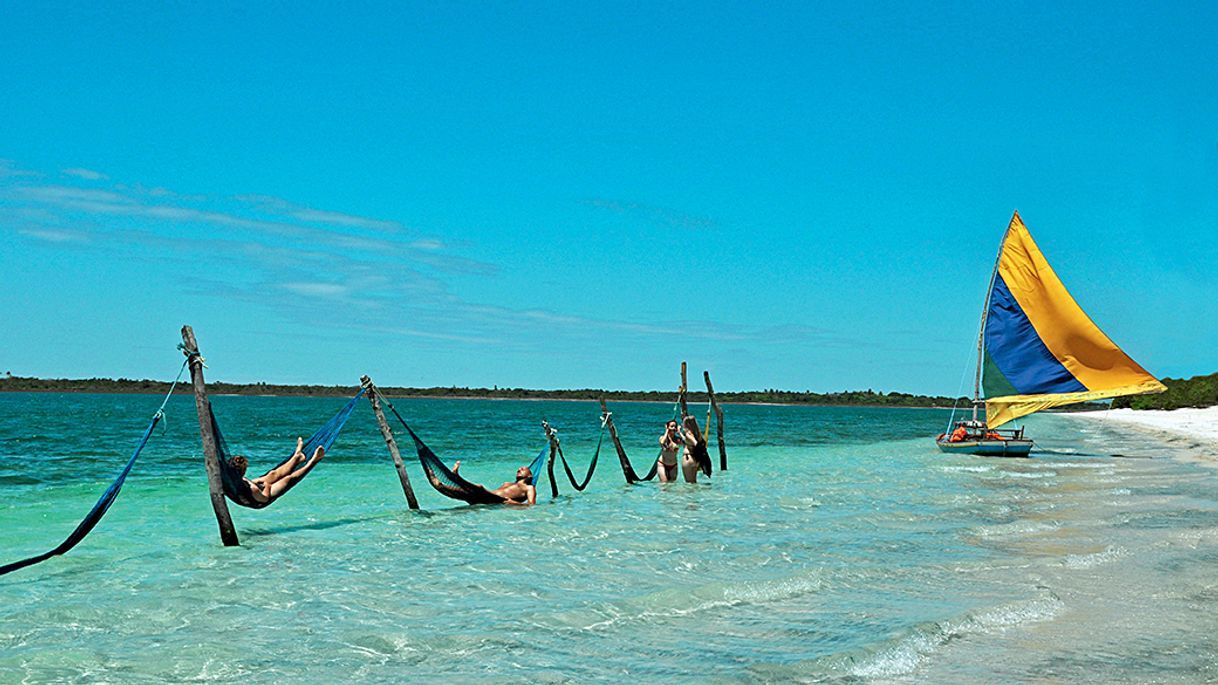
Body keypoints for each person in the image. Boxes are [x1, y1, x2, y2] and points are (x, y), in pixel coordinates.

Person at [227, 437, 324, 504]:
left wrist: (257, 482)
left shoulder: (229, 476)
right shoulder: (253, 489)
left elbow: (246, 483)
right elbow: (264, 499)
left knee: (273, 474)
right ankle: (312, 461)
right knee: (287, 479)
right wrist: (267, 486)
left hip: (250, 490)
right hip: (259, 499)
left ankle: (297, 457)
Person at [452, 461, 537, 506]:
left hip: (497, 499)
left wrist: (513, 503)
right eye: (518, 469)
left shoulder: (529, 487)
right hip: (487, 497)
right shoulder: (508, 483)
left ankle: (457, 477)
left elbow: (531, 505)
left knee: (479, 487)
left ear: (530, 476)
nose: (519, 469)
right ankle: (439, 486)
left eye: (523, 469)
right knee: (459, 492)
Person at [679, 414, 712, 483]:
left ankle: (691, 494)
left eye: (683, 423)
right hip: (694, 459)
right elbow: (687, 440)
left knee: (689, 483)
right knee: (693, 482)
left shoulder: (688, 433)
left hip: (688, 458)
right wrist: (679, 433)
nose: (682, 424)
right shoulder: (697, 434)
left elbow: (695, 443)